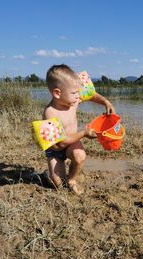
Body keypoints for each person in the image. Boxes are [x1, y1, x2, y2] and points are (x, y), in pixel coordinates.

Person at [43, 64, 115, 195]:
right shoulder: (50, 113)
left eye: (78, 92)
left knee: (80, 156)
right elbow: (60, 142)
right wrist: (83, 133)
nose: (78, 96)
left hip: (72, 143)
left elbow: (91, 95)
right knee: (57, 184)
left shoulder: (73, 100)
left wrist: (106, 102)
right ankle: (49, 175)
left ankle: (72, 180)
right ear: (57, 93)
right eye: (74, 92)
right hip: (56, 149)